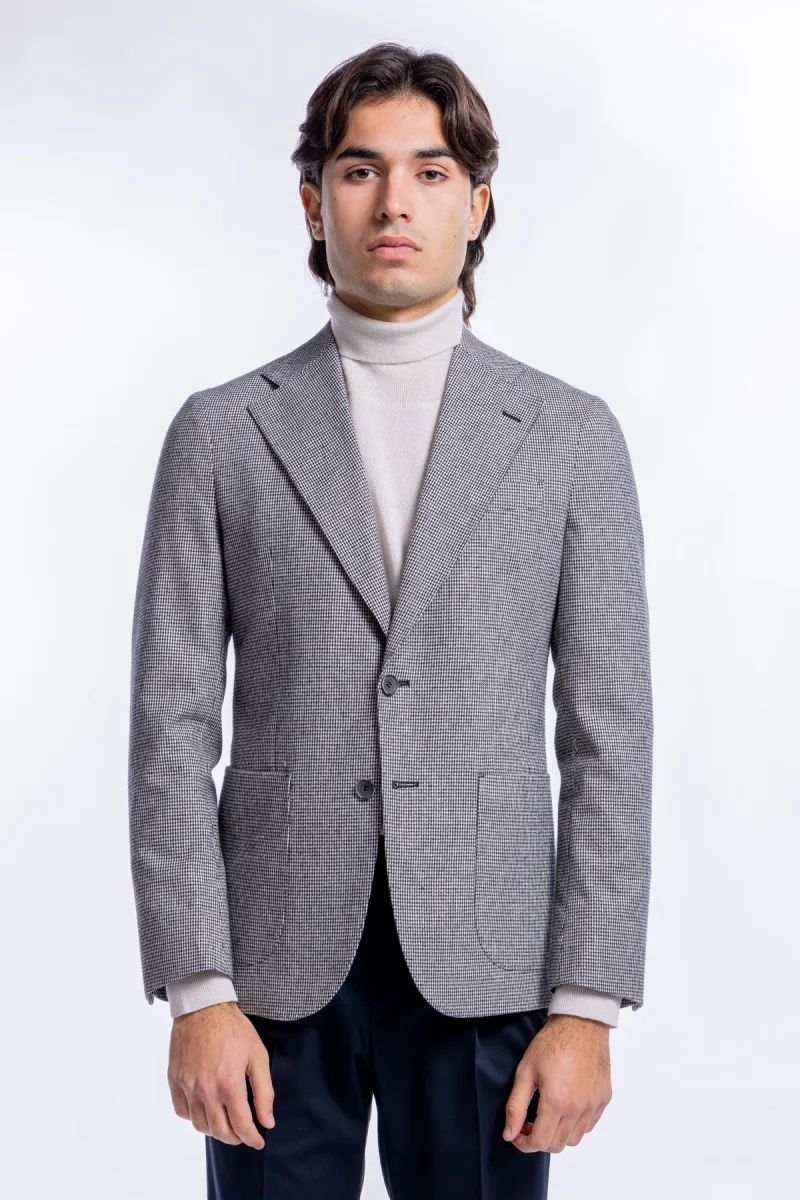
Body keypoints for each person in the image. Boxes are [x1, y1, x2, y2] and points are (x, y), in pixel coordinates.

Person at [128, 40, 653, 1200]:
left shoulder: (568, 437)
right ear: (313, 203)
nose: (393, 202)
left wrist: (585, 1006)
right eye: (360, 170)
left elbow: (607, 737)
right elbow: (167, 728)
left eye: (429, 171)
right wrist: (198, 989)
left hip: (488, 970)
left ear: (477, 203)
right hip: (269, 978)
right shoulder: (221, 434)